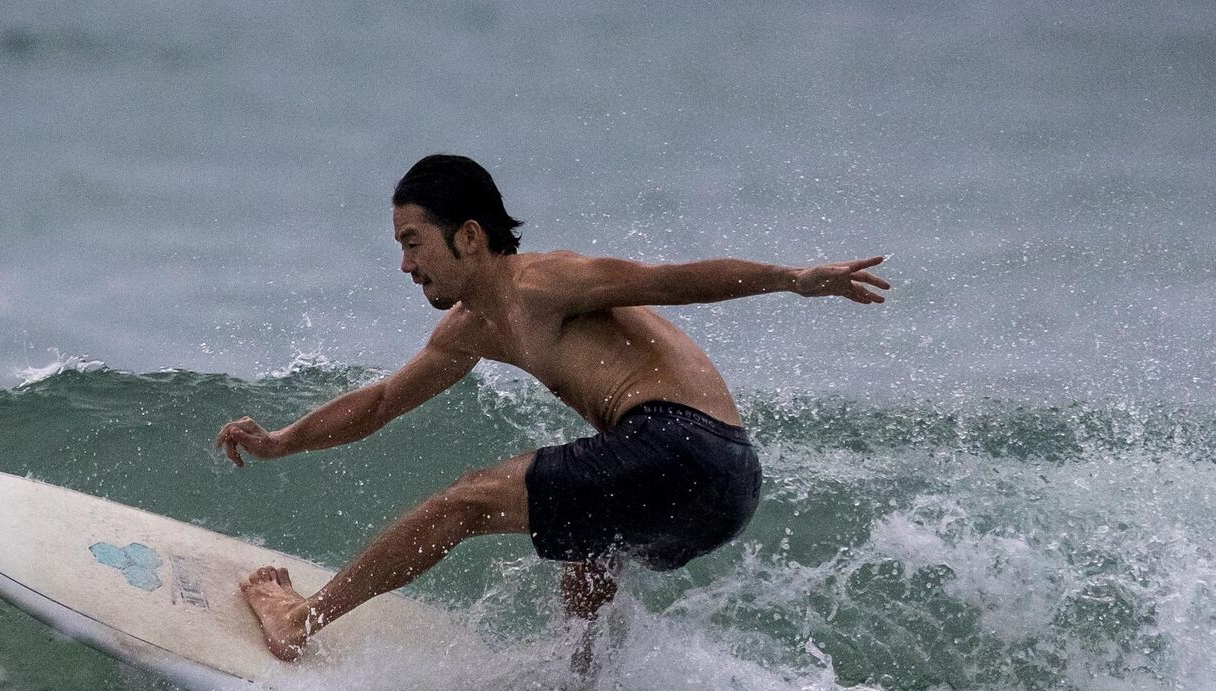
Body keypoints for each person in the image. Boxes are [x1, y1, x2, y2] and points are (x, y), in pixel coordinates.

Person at [216, 154, 890, 660]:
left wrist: (792, 280)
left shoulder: (542, 282)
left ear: (471, 237)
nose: (404, 264)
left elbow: (671, 280)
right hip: (724, 490)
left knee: (463, 503)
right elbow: (383, 402)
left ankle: (298, 622)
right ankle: (582, 688)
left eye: (413, 242)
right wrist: (282, 441)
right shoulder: (472, 327)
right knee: (587, 554)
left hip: (685, 443)